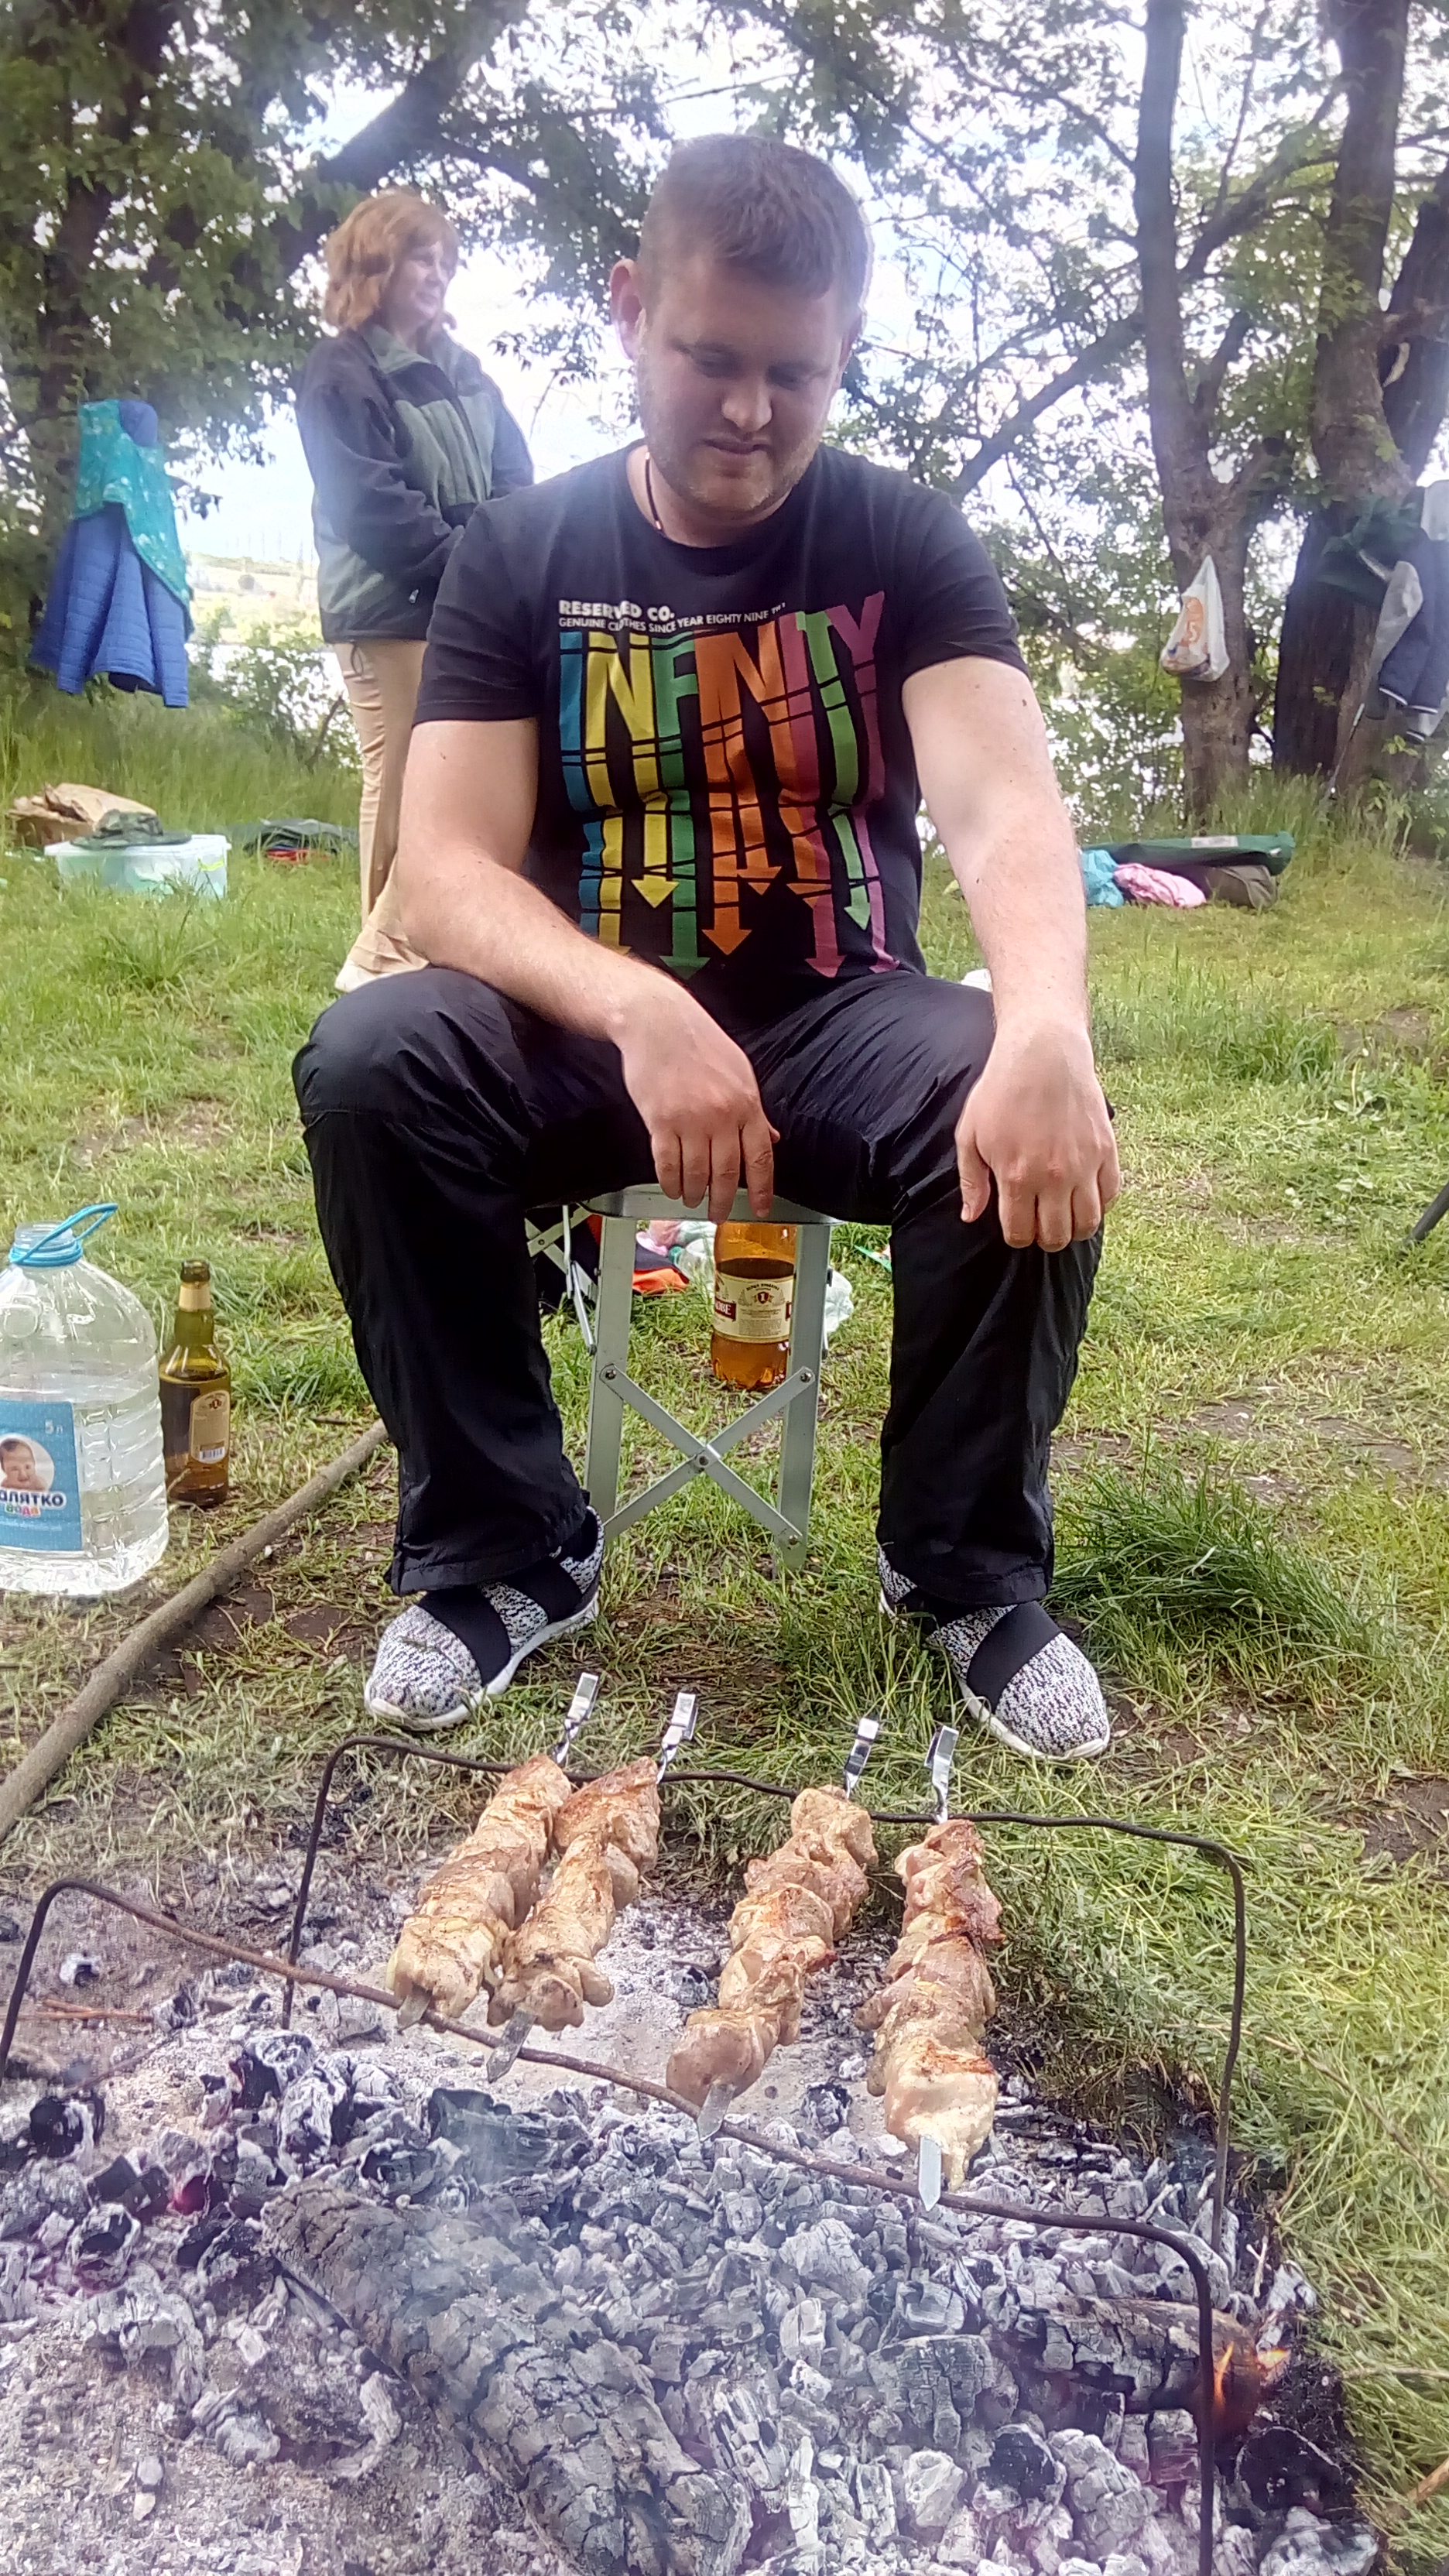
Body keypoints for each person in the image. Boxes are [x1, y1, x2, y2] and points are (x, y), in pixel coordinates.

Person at [294, 135, 1122, 1763]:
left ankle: (964, 1570)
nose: (750, 409)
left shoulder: (903, 540)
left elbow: (1004, 802)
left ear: (845, 350)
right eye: (710, 358)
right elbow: (443, 870)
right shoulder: (523, 550)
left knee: (1015, 1079)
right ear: (629, 308)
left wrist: (1046, 1024)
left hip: (838, 1012)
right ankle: (502, 1551)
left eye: (794, 373)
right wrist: (636, 1005)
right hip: (581, 1029)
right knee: (374, 1057)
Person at [297, 189, 533, 989]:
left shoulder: (466, 374)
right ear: (376, 263)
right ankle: (381, 963)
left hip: (465, 603)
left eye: (445, 261)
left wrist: (500, 562)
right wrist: (473, 567)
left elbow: (515, 482)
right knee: (401, 775)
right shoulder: (341, 371)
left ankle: (415, 946)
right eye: (420, 257)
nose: (437, 273)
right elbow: (368, 503)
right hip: (384, 608)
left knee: (473, 775)